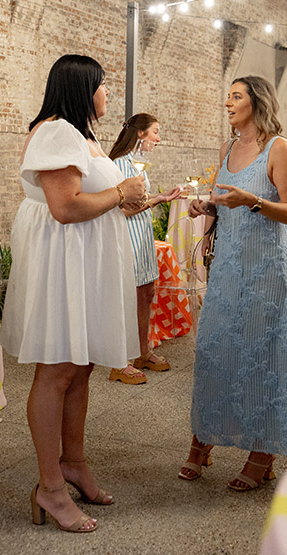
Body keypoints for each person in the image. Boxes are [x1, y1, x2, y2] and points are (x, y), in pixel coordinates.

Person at [0, 55, 146, 532]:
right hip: (64, 262)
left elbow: (92, 199)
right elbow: (65, 207)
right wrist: (121, 193)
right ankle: (50, 487)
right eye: (103, 86)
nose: (107, 94)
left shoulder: (82, 134)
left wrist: (124, 198)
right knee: (59, 368)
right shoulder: (58, 130)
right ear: (83, 87)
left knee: (80, 367)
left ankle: (74, 463)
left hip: (83, 258)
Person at [182, 75, 287, 491]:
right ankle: (203, 439)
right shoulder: (226, 149)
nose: (227, 103)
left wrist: (253, 201)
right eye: (227, 96)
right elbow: (223, 203)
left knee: (262, 354)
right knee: (214, 350)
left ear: (257, 102)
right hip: (227, 268)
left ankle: (263, 453)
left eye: (235, 96)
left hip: (266, 270)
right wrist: (206, 206)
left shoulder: (279, 149)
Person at [107, 113, 183, 385]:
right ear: (140, 134)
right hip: (128, 236)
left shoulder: (135, 164)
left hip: (142, 236)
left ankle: (142, 352)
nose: (158, 139)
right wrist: (155, 201)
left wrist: (160, 197)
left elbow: (139, 201)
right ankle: (119, 363)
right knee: (126, 298)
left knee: (146, 293)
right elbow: (123, 210)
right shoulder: (119, 164)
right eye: (155, 132)